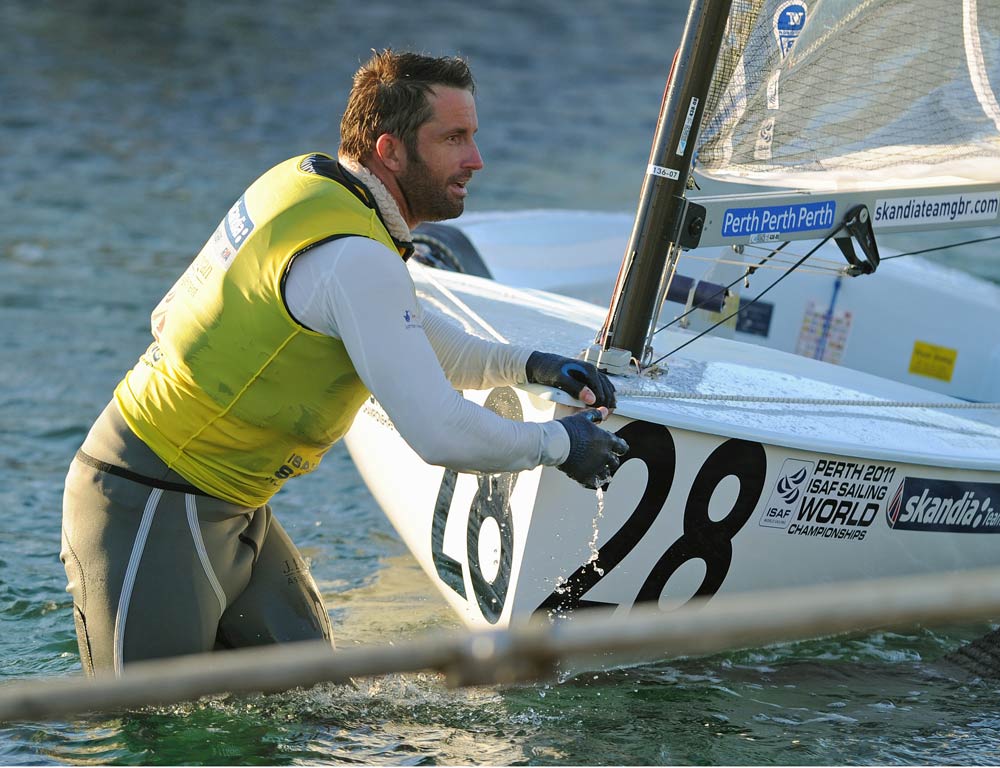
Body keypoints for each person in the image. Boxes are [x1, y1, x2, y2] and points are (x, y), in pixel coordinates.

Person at [61, 50, 629, 675]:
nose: (476, 159)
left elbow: (174, 317)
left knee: (311, 708)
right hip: (148, 500)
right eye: (453, 138)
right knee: (148, 735)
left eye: (473, 136)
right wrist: (559, 443)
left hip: (237, 501)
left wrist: (529, 364)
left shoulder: (308, 189)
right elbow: (439, 432)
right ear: (390, 150)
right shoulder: (356, 257)